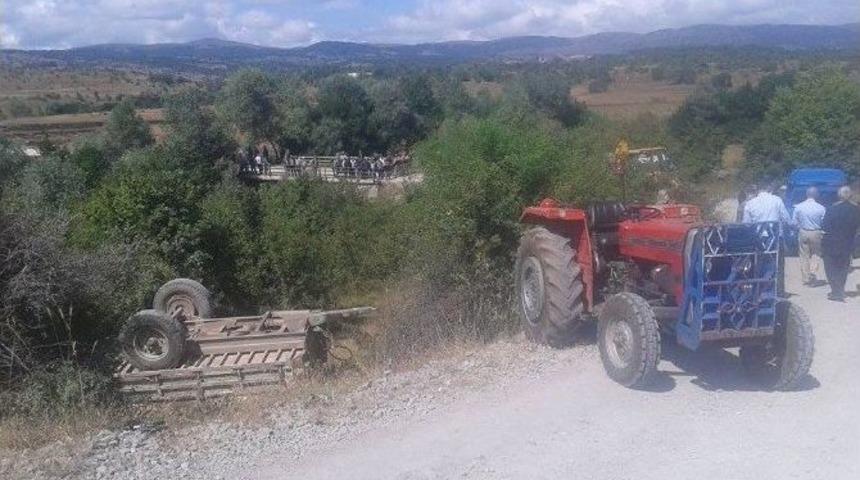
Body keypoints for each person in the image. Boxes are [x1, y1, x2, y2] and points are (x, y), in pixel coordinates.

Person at [821, 186, 860, 302]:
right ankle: (840, 288)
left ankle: (836, 290)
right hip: (848, 242)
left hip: (831, 242)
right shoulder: (856, 210)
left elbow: (825, 226)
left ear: (839, 195)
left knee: (830, 267)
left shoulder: (832, 209)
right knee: (843, 267)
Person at [793, 187, 826, 286]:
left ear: (806, 194)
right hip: (816, 232)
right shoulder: (821, 208)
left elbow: (794, 222)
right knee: (816, 254)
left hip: (803, 231)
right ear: (816, 195)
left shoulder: (798, 207)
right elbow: (824, 222)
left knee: (804, 255)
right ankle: (813, 273)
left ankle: (806, 278)